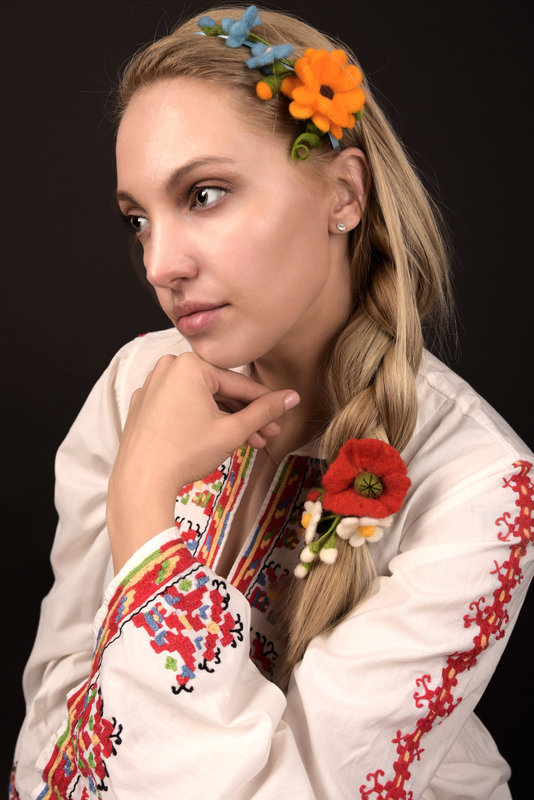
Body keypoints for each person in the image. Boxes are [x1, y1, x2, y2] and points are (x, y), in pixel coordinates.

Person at [10, 5, 533, 799]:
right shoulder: (135, 383)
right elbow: (59, 710)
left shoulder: (478, 483)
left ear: (343, 195)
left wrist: (145, 507)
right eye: (137, 220)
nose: (158, 264)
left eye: (204, 194)